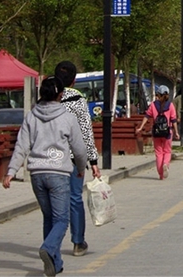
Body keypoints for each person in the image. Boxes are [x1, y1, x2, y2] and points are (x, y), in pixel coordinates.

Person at [3, 77, 87, 277]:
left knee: (49, 217)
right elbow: (79, 148)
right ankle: (48, 249)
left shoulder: (31, 116)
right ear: (60, 95)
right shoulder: (67, 117)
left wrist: (11, 171)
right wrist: (81, 167)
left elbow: (22, 146)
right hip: (58, 174)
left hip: (37, 174)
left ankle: (54, 264)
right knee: (62, 219)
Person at [54, 60, 101, 258]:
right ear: (74, 80)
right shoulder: (78, 101)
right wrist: (93, 161)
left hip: (51, 159)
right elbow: (85, 132)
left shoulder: (47, 98)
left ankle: (51, 242)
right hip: (73, 159)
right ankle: (77, 242)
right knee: (74, 198)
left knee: (55, 201)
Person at [135, 85, 178, 179]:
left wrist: (141, 127)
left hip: (156, 132)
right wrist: (176, 132)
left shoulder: (153, 105)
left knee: (159, 153)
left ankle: (160, 174)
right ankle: (165, 164)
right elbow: (173, 120)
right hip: (167, 132)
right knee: (167, 151)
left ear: (158, 94)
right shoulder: (170, 105)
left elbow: (146, 116)